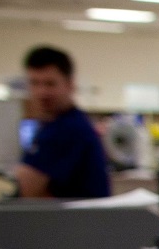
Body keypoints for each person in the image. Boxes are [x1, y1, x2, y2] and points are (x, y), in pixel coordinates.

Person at [13, 46, 110, 199]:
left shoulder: (68, 129)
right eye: (34, 83)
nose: (42, 92)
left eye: (50, 84)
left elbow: (27, 188)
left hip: (77, 221)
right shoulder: (52, 125)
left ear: (69, 84)